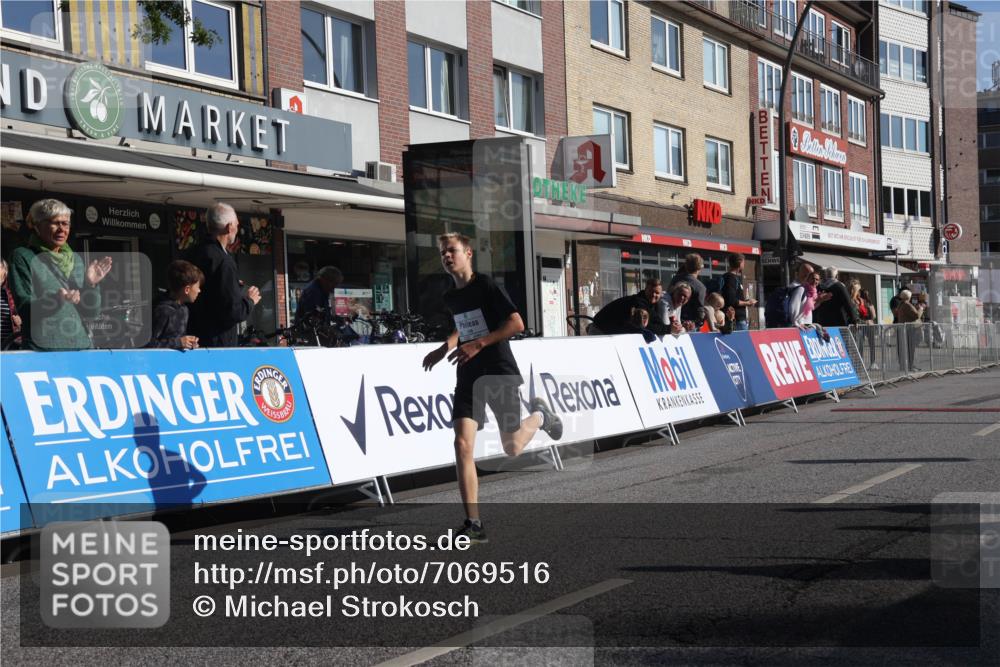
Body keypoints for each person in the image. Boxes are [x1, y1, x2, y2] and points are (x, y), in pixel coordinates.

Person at [421, 232, 562, 543]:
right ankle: (473, 524)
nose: (447, 257)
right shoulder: (451, 296)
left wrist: (478, 344)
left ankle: (539, 414)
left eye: (452, 251)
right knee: (462, 444)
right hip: (469, 372)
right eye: (443, 252)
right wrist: (445, 347)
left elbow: (516, 323)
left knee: (512, 447)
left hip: (498, 369)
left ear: (468, 253)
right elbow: (464, 323)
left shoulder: (485, 285)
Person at [8, 198, 113, 350]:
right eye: (55, 223)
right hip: (45, 352)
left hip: (81, 348)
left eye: (65, 223)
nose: (61, 229)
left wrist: (90, 284)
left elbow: (91, 313)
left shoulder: (74, 260)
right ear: (37, 226)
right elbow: (25, 310)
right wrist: (57, 299)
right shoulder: (23, 257)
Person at [186, 203, 261, 347]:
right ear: (229, 227)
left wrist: (232, 285)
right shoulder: (223, 261)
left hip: (193, 337)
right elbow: (232, 311)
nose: (237, 230)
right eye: (237, 226)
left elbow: (210, 292)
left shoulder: (194, 252)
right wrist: (250, 301)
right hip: (217, 343)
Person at [148, 260, 203, 350]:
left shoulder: (184, 309)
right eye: (197, 287)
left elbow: (178, 340)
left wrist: (188, 344)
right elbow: (149, 344)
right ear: (187, 290)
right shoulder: (162, 310)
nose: (199, 291)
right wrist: (178, 342)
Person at [592, 277, 669, 336]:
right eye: (651, 291)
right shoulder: (638, 302)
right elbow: (644, 325)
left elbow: (658, 324)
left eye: (657, 293)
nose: (653, 295)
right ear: (645, 290)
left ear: (661, 294)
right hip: (600, 331)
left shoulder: (651, 305)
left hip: (610, 333)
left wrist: (667, 328)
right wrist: (669, 329)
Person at [720, 252, 757, 331]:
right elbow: (731, 300)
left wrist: (746, 301)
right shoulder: (731, 278)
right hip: (737, 319)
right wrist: (748, 303)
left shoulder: (731, 277)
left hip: (735, 318)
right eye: (743, 262)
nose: (744, 264)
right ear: (739, 263)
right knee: (743, 343)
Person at [669, 253, 707, 324]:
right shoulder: (700, 287)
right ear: (700, 268)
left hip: (671, 319)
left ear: (685, 266)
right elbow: (700, 310)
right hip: (689, 324)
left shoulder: (675, 279)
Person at [853, 285, 878, 369]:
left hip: (861, 325)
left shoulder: (860, 303)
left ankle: (861, 362)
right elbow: (874, 316)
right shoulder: (868, 303)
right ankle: (873, 362)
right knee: (871, 344)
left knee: (860, 344)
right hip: (869, 324)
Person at [0, 259, 22, 350]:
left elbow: (25, 311)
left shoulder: (13, 291)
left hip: (10, 343)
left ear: (5, 271)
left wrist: (21, 321)